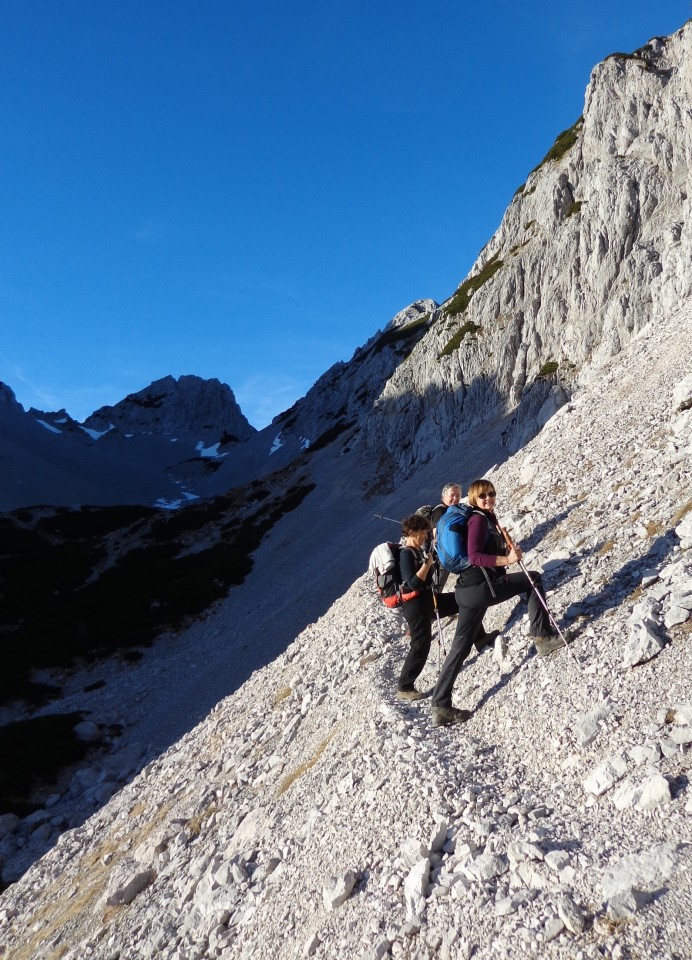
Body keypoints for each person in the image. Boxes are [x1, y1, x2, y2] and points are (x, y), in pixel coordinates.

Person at [429, 478, 563, 727]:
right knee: (531, 579)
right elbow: (475, 556)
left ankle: (440, 705)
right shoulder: (478, 519)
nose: (488, 498)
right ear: (474, 499)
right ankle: (543, 637)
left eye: (491, 493)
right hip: (480, 587)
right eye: (482, 496)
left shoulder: (483, 518)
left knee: (461, 646)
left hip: (467, 591)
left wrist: (504, 551)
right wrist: (508, 560)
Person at [396, 513, 460, 701]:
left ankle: (479, 638)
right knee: (420, 644)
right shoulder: (405, 554)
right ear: (413, 532)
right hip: (414, 605)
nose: (425, 537)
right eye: (423, 533)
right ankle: (404, 686)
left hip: (427, 600)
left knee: (462, 601)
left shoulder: (417, 551)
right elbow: (413, 582)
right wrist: (427, 564)